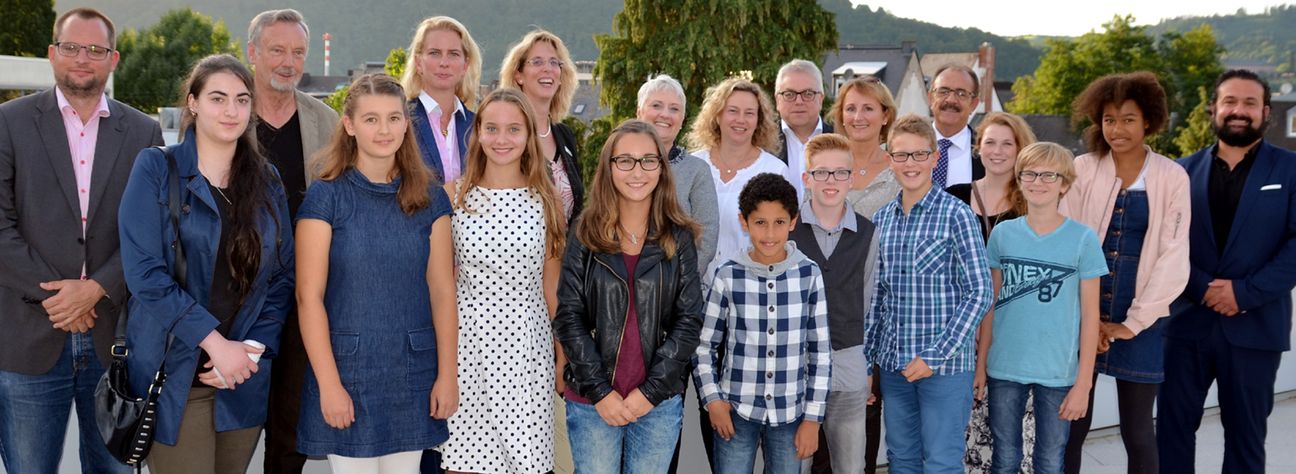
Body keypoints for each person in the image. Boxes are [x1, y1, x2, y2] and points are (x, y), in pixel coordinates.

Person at [0, 8, 163, 473]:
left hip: (113, 339)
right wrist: (61, 297)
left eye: (95, 49)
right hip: (27, 336)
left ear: (113, 59)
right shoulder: (8, 122)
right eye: (71, 47)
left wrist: (96, 288)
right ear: (52, 54)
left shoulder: (144, 132)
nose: (82, 58)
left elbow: (152, 231)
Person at [117, 54, 295, 473]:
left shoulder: (267, 179)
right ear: (193, 103)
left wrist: (252, 349)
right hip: (175, 374)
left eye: (241, 99)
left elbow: (282, 275)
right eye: (218, 98)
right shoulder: (156, 168)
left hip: (242, 377)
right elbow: (145, 275)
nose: (231, 110)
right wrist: (216, 345)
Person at [292, 74, 457, 472]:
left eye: (393, 118)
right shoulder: (326, 196)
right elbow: (308, 297)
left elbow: (442, 290)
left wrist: (448, 375)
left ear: (406, 124)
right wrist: (329, 385)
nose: (384, 130)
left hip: (413, 374)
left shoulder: (430, 198)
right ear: (349, 125)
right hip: (348, 374)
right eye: (371, 119)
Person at [1159, 69, 1296, 474]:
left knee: (1245, 440)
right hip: (1185, 326)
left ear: (1266, 112)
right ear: (1213, 109)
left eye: (1250, 103)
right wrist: (1203, 287)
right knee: (1171, 434)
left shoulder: (1290, 170)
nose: (1239, 110)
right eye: (1230, 101)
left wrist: (1244, 293)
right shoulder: (1180, 172)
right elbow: (1166, 244)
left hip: (1256, 328)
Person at [554, 119, 704, 472]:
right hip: (593, 402)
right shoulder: (585, 231)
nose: (637, 171)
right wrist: (600, 392)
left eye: (648, 160)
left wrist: (650, 392)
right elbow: (569, 316)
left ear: (661, 168)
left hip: (657, 402)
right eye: (625, 160)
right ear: (609, 167)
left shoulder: (679, 236)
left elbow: (689, 321)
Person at [1059, 71, 1190, 474]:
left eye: (1128, 119)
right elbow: (1065, 242)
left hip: (1145, 318)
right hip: (1082, 313)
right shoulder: (1082, 169)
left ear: (1148, 120)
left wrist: (1132, 324)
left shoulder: (1171, 176)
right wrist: (1087, 320)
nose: (1117, 129)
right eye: (1109, 119)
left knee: (1138, 431)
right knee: (1072, 425)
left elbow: (1173, 257)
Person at [439, 88, 566, 474]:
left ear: (528, 135)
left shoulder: (547, 200)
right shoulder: (452, 195)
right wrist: (442, 368)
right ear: (477, 132)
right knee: (462, 465)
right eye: (491, 128)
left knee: (528, 464)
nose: (501, 139)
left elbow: (552, 288)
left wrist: (563, 357)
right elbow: (442, 287)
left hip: (527, 353)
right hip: (466, 351)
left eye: (513, 129)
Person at [865, 114, 992, 473]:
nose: (911, 163)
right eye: (901, 155)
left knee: (941, 462)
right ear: (890, 160)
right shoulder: (881, 220)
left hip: (945, 368)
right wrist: (867, 363)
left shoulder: (957, 215)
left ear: (935, 158)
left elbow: (980, 292)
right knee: (901, 459)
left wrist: (934, 356)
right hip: (895, 365)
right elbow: (877, 298)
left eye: (919, 154)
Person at [244, 10, 340, 473]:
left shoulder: (326, 121)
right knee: (234, 421)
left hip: (304, 292)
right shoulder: (226, 110)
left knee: (290, 423)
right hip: (237, 295)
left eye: (298, 52)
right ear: (253, 53)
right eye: (277, 50)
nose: (288, 62)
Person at [693, 173, 831, 474]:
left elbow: (820, 353)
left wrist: (813, 418)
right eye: (760, 222)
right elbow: (704, 346)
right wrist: (713, 400)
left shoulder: (809, 274)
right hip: (735, 411)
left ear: (793, 221)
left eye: (779, 222)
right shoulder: (728, 275)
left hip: (790, 413)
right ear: (744, 222)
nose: (769, 233)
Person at [983, 142, 1104, 474]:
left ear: (1064, 184)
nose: (1038, 182)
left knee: (1050, 460)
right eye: (1030, 174)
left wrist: (1084, 384)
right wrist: (980, 365)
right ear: (1019, 179)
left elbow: (1091, 317)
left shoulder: (1083, 239)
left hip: (1057, 370)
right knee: (1004, 457)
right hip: (1004, 366)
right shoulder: (1002, 235)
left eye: (1049, 175)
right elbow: (989, 306)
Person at [949, 112, 1036, 473]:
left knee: (1012, 437)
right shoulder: (954, 197)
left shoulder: (1032, 202)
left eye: (1007, 143)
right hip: (962, 331)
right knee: (964, 436)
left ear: (1020, 149)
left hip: (1015, 332)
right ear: (978, 147)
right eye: (990, 142)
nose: (997, 151)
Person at [789, 134, 879, 474]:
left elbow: (868, 299)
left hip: (847, 359)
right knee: (794, 463)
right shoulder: (787, 230)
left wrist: (866, 366)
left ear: (851, 179)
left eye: (840, 173)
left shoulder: (868, 233)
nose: (831, 181)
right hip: (794, 363)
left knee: (850, 465)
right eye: (821, 172)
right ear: (806, 178)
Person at [688, 77, 788, 281]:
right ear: (717, 115)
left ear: (758, 120)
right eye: (732, 111)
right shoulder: (693, 166)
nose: (741, 119)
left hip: (751, 288)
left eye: (749, 113)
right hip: (694, 289)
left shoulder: (775, 171)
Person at [635, 74, 718, 278]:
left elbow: (707, 236)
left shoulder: (697, 171)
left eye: (674, 109)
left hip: (678, 286)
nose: (665, 114)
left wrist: (680, 283)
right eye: (656, 105)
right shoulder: (619, 163)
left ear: (681, 120)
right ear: (639, 112)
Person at [500, 29, 584, 227]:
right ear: (519, 75)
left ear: (561, 76)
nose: (547, 69)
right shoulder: (505, 135)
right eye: (537, 62)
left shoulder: (564, 135)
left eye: (554, 62)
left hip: (563, 246)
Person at [400, 16, 480, 184]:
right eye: (434, 53)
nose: (444, 63)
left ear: (465, 65)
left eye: (453, 54)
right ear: (418, 63)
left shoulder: (478, 126)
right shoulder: (400, 121)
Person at [829, 75, 901, 218]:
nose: (858, 117)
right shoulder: (824, 166)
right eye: (850, 109)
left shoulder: (899, 170)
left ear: (885, 116)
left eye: (868, 108)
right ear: (841, 116)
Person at [774, 59, 833, 201]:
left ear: (821, 99)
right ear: (777, 101)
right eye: (789, 94)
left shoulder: (840, 139)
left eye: (808, 93)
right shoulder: (761, 143)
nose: (799, 101)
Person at [927, 64, 986, 189]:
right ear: (931, 98)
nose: (951, 100)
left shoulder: (986, 152)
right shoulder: (906, 147)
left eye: (961, 93)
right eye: (943, 91)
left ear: (973, 104)